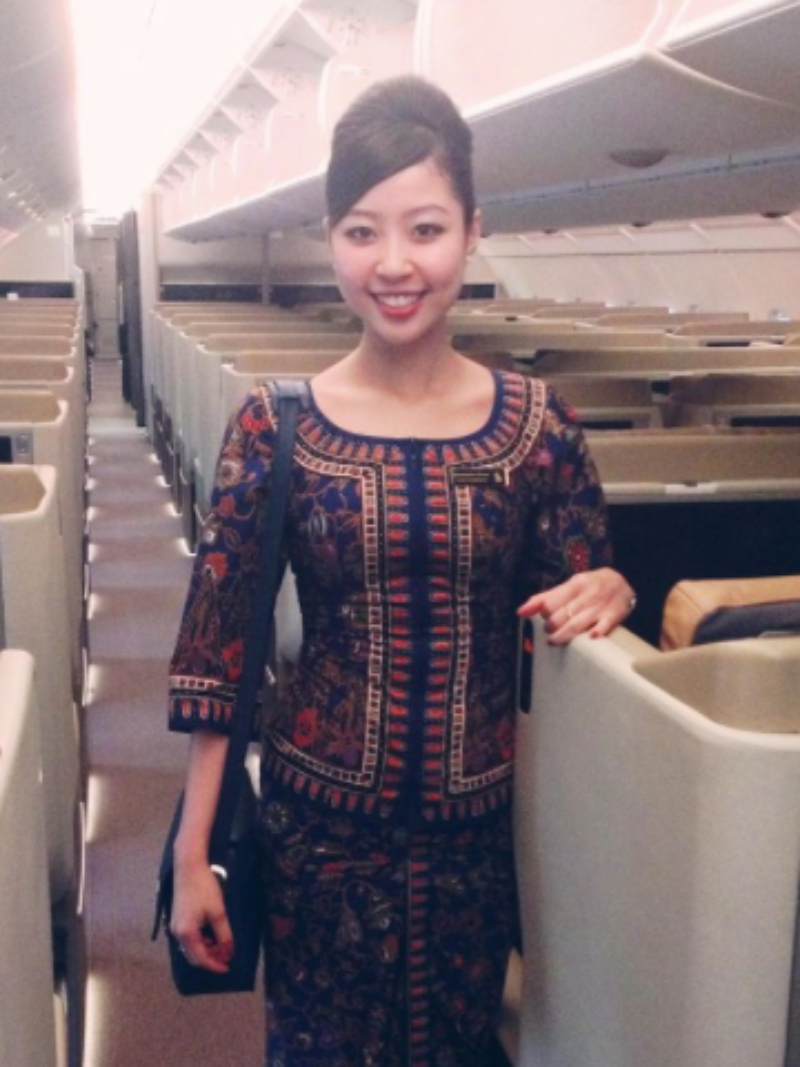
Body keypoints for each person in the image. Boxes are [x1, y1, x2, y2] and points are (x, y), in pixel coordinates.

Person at [167, 74, 635, 1067]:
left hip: (479, 842)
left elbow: (578, 596)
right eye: (361, 232)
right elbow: (219, 651)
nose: (393, 264)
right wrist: (191, 851)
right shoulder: (275, 424)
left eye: (424, 229)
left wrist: (614, 587)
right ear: (329, 239)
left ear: (471, 232)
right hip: (315, 834)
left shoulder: (540, 426)